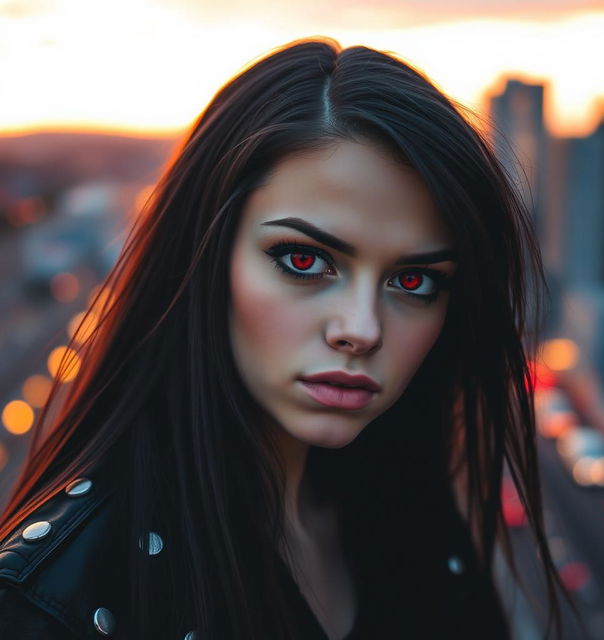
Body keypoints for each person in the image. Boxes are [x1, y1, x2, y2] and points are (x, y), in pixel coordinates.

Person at [0, 37, 564, 639]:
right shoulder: (52, 600)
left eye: (412, 279)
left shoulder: (409, 516)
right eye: (303, 261)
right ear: (206, 258)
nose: (361, 329)